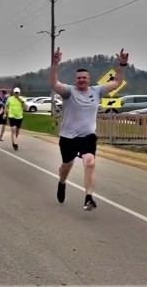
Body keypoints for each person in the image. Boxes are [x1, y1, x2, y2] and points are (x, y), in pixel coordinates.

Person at [49, 47, 128, 211]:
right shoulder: (69, 92)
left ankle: (88, 198)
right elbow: (53, 84)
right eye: (79, 78)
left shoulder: (97, 91)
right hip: (68, 137)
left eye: (84, 77)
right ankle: (62, 183)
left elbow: (117, 82)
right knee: (66, 166)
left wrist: (121, 65)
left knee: (90, 162)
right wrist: (55, 65)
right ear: (75, 79)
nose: (82, 80)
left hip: (88, 137)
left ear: (89, 79)